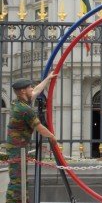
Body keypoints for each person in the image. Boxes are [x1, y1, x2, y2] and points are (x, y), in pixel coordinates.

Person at [6, 73, 57, 203]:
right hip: (17, 149)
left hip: (18, 148)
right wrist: (52, 137)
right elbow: (39, 127)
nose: (32, 89)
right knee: (17, 181)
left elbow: (36, 90)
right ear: (23, 91)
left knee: (20, 178)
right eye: (29, 87)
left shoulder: (19, 101)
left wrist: (47, 79)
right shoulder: (24, 109)